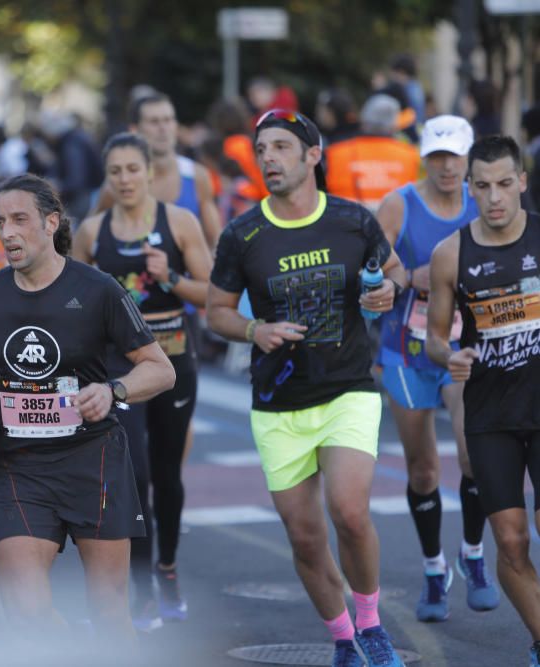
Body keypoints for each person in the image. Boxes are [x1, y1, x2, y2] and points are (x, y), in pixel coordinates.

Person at [206, 109, 408, 667]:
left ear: (312, 156)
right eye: (261, 149)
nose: (267, 158)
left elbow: (396, 271)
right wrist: (255, 329)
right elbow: (216, 312)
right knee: (305, 538)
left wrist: (386, 291)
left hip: (348, 388)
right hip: (279, 402)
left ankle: (371, 626)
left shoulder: (352, 220)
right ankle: (342, 637)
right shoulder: (243, 234)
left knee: (349, 512)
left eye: (279, 147)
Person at [0, 172, 175, 646]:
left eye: (20, 220)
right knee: (24, 609)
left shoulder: (98, 289)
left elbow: (161, 370)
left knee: (107, 611)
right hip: (20, 467)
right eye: (0, 221)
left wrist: (113, 390)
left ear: (51, 222)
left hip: (92, 461)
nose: (8, 232)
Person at [74, 132, 212, 631]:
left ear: (150, 172)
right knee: (133, 478)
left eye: (133, 169)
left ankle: (167, 568)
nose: (125, 179)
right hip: (121, 370)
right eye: (116, 172)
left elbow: (211, 292)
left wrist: (171, 276)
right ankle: (140, 588)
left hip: (174, 362)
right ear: (107, 178)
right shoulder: (93, 231)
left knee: (167, 477)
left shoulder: (179, 222)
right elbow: (77, 299)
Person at [374, 115, 499, 622]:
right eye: (437, 157)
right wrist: (409, 276)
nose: (446, 166)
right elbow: (374, 265)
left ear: (469, 158)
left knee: (473, 458)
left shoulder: (483, 203)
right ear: (425, 158)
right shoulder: (398, 205)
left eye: (455, 156)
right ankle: (433, 568)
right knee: (423, 468)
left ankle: (472, 555)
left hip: (462, 348)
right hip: (407, 349)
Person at [426, 135, 540, 667]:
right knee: (511, 541)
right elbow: (434, 338)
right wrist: (448, 355)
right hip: (490, 414)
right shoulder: (451, 253)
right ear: (469, 188)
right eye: (483, 186)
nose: (494, 196)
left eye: (504, 183)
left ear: (522, 181)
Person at [93, 93, 222, 249]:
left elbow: (216, 243)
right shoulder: (120, 183)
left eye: (168, 120)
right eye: (154, 122)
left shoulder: (197, 176)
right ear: (134, 130)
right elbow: (89, 240)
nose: (163, 128)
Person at [325, 94, 421, 211]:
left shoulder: (334, 153)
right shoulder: (411, 155)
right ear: (394, 125)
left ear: (364, 121)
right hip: (395, 226)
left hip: (344, 225)